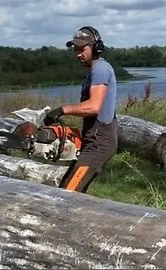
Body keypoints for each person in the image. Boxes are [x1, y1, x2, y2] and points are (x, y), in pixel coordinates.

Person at [43, 26, 118, 193]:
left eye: (82, 49)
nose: (78, 54)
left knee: (68, 193)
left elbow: (94, 106)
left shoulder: (99, 69)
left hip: (99, 143)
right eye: (75, 50)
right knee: (73, 189)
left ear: (96, 47)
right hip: (95, 140)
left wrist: (62, 110)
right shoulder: (96, 70)